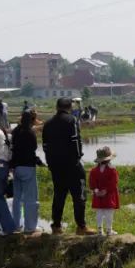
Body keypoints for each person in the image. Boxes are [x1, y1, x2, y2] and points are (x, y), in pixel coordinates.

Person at [42, 97, 93, 235]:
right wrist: (78, 156)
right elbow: (76, 140)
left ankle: (56, 226)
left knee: (59, 195)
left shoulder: (48, 124)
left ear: (57, 107)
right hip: (72, 164)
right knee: (79, 195)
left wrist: (50, 163)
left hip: (55, 166)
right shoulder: (72, 120)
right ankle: (81, 226)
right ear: (70, 107)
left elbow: (45, 146)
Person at [10, 109, 42, 233]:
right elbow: (32, 149)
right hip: (28, 167)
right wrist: (39, 162)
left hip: (16, 167)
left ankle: (16, 226)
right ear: (32, 120)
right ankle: (30, 227)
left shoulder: (16, 131)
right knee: (30, 199)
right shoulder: (30, 132)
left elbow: (13, 148)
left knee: (17, 198)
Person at [88, 147, 120, 235]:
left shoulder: (93, 171)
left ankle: (99, 230)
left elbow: (91, 182)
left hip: (97, 195)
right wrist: (105, 191)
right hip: (109, 195)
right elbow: (114, 182)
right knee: (109, 213)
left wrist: (96, 190)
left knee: (99, 212)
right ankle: (109, 230)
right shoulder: (112, 170)